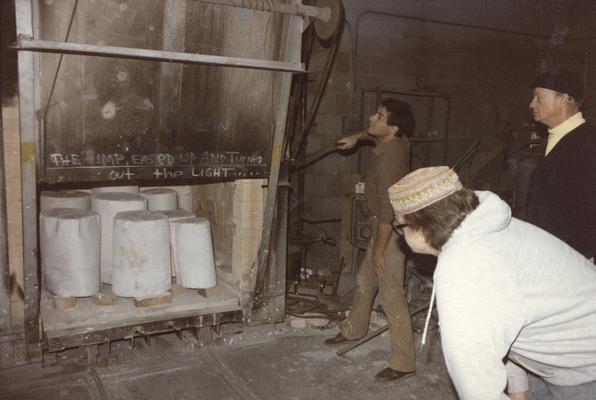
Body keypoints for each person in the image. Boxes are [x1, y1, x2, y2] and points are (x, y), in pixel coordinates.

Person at [388, 166, 596, 400]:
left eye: (400, 226)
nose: (400, 235)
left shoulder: (466, 268)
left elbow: (476, 382)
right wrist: (517, 387)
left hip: (585, 370)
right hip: (567, 357)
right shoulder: (487, 224)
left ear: (423, 225)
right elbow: (507, 320)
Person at [324, 98, 416, 382]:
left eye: (379, 117)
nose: (372, 118)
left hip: (389, 230)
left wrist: (378, 251)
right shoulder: (398, 140)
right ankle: (354, 329)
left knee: (391, 296)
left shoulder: (390, 161)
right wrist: (358, 136)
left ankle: (404, 362)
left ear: (392, 128)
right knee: (365, 281)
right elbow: (373, 133)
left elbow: (388, 217)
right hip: (382, 226)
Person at [526, 67, 596, 259]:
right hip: (549, 251)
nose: (532, 104)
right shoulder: (559, 136)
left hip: (570, 257)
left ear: (563, 100)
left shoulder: (588, 143)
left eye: (538, 98)